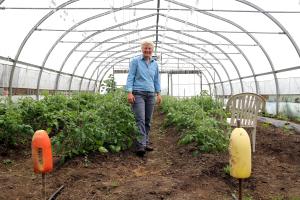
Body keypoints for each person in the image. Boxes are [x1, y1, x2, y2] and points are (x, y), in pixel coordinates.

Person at [125, 40, 162, 157]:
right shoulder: (135, 61)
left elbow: (156, 80)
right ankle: (140, 145)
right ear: (142, 49)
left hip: (151, 94)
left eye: (149, 48)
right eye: (145, 48)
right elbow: (130, 77)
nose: (147, 50)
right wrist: (129, 92)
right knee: (140, 119)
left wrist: (158, 93)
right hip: (138, 93)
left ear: (152, 50)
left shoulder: (155, 64)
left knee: (147, 120)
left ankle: (145, 142)